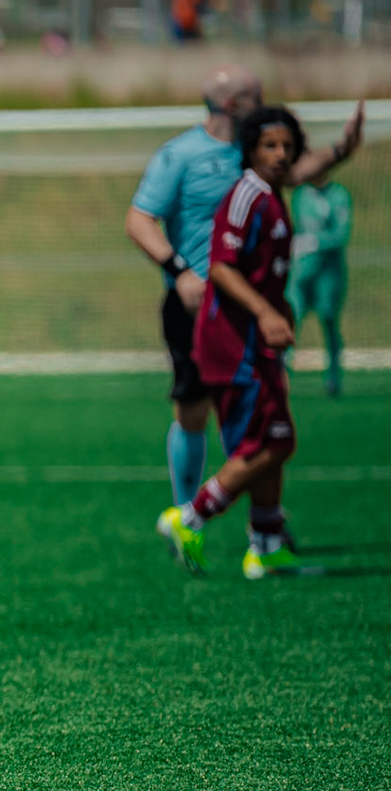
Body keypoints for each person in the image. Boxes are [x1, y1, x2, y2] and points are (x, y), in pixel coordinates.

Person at [126, 68, 362, 511]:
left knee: (266, 407)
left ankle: (264, 526)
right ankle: (186, 513)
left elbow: (294, 172)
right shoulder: (179, 155)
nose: (265, 102)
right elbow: (138, 220)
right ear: (234, 105)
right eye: (257, 96)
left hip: (251, 305)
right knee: (194, 411)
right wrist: (180, 271)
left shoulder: (255, 154)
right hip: (198, 304)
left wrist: (339, 150)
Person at [157, 108, 311, 580]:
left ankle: (265, 546)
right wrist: (264, 312)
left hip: (253, 343)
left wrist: (277, 307)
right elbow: (221, 267)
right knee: (273, 440)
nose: (280, 154)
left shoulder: (271, 197)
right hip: (232, 344)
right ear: (249, 150)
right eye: (270, 146)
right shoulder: (246, 196)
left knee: (270, 436)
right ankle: (191, 516)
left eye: (287, 145)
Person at [289, 174, 352, 398]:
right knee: (290, 319)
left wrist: (315, 242)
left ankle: (334, 377)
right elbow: (296, 228)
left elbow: (341, 234)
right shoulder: (300, 195)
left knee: (328, 320)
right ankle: (281, 373)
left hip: (329, 274)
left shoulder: (339, 196)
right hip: (301, 272)